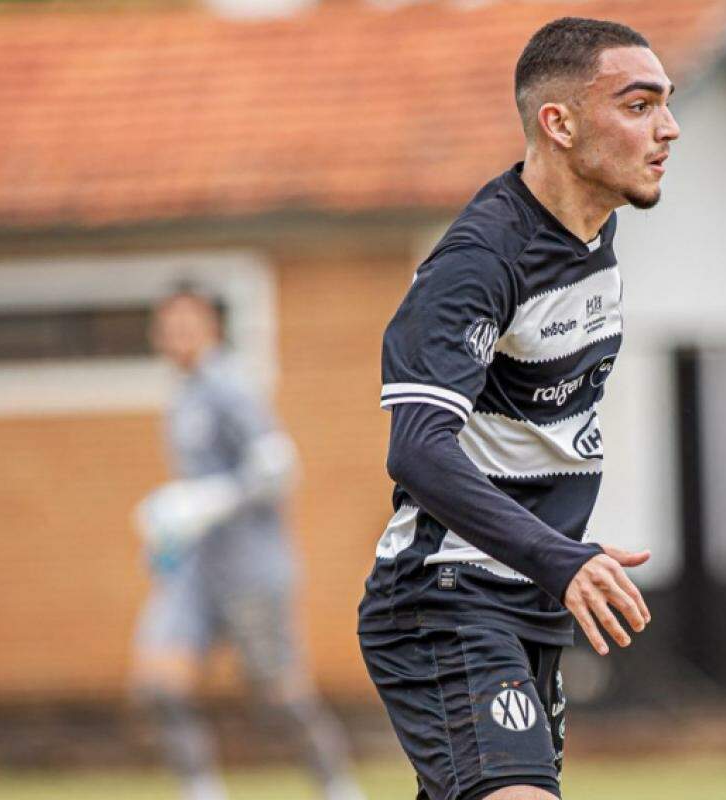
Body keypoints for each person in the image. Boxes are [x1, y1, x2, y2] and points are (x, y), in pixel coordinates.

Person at [358, 16, 680, 800]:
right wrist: (557, 555)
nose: (669, 128)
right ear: (559, 123)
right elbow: (420, 449)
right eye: (639, 106)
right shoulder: (480, 261)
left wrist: (555, 555)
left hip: (527, 603)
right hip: (445, 597)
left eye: (668, 104)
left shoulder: (591, 239)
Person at [132, 286, 366, 800]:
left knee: (278, 697)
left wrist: (211, 501)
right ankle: (201, 790)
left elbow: (278, 466)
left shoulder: (229, 387)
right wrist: (169, 527)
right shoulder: (183, 395)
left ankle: (338, 787)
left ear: (213, 327)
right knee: (157, 685)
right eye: (167, 326)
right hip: (195, 573)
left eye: (187, 324)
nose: (176, 335)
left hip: (251, 571)